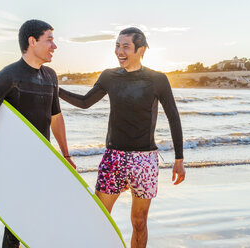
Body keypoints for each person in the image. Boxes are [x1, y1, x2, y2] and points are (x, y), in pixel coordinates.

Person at [59, 27, 185, 248]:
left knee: (139, 222)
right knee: (99, 218)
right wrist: (55, 89)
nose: (119, 51)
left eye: (125, 46)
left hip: (144, 160)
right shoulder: (109, 76)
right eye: (117, 46)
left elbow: (174, 118)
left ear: (141, 49)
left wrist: (179, 160)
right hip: (114, 156)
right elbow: (85, 102)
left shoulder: (158, 80)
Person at [0, 19, 75, 248]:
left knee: (38, 220)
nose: (54, 46)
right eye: (50, 40)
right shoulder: (8, 76)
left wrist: (66, 155)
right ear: (32, 41)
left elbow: (55, 118)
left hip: (42, 162)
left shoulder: (50, 77)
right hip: (14, 164)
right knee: (17, 224)